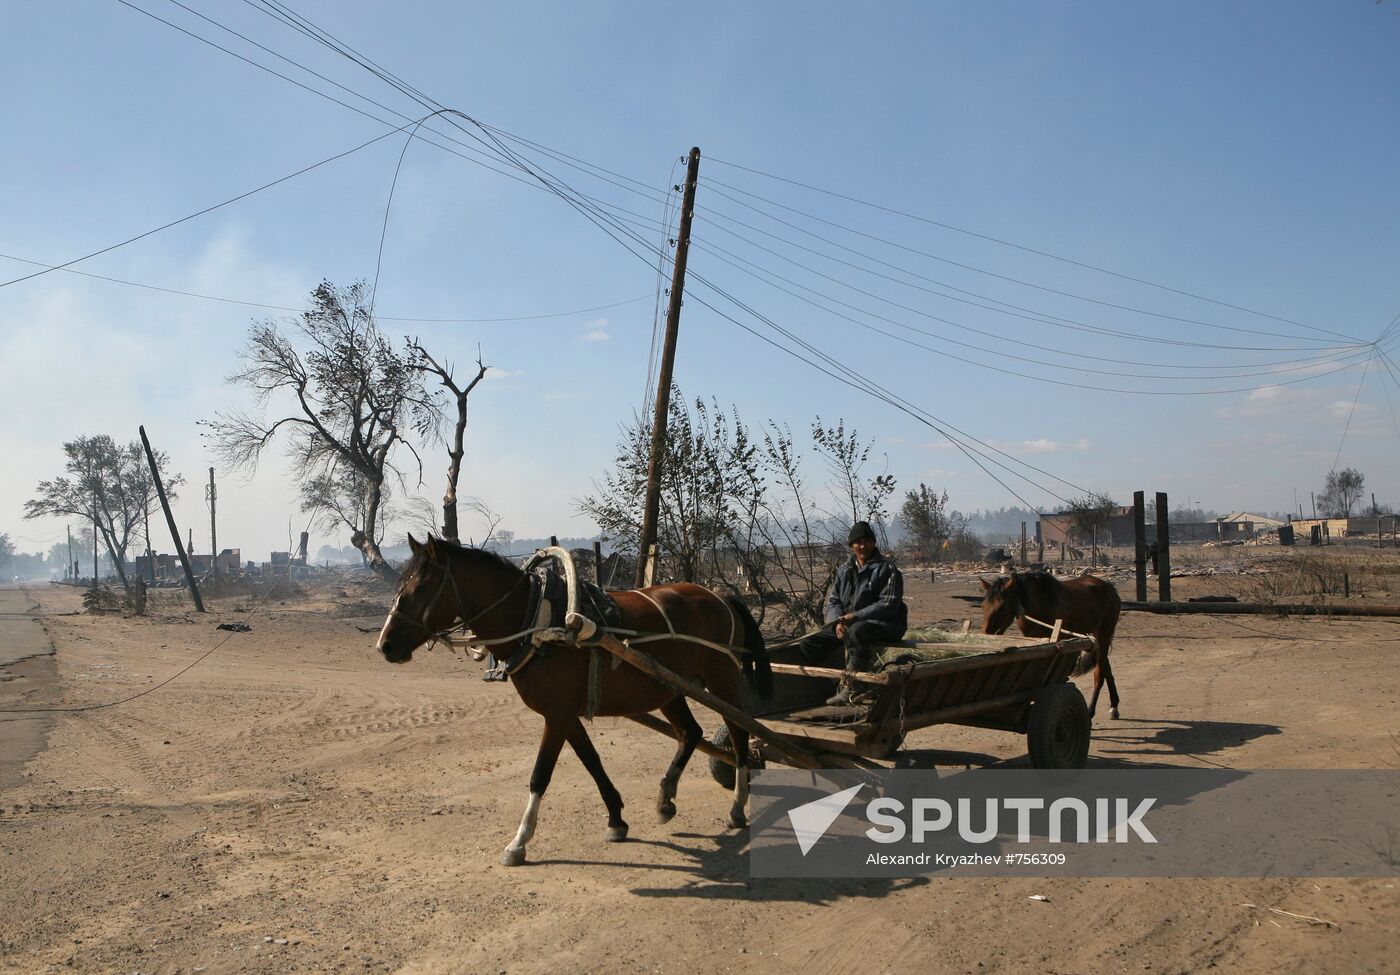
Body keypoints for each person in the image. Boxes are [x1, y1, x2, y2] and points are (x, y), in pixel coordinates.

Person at [799, 520, 908, 706]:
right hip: (849, 625)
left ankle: (853, 688)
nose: (862, 546)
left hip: (885, 625)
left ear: (874, 543)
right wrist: (837, 623)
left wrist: (855, 616)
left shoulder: (887, 569)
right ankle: (834, 684)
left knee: (856, 631)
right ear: (851, 546)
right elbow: (834, 601)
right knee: (809, 642)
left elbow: (888, 604)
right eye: (857, 542)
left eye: (866, 541)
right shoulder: (844, 570)